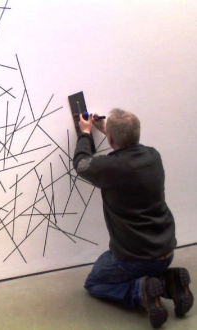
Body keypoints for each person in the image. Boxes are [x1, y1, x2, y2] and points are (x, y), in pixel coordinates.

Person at [73, 108, 194, 328]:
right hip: (165, 251)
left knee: (94, 283)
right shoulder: (153, 156)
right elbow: (129, 143)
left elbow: (81, 164)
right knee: (147, 268)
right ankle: (170, 282)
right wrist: (109, 130)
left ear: (109, 139)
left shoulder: (111, 167)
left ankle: (141, 292)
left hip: (133, 259)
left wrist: (85, 133)